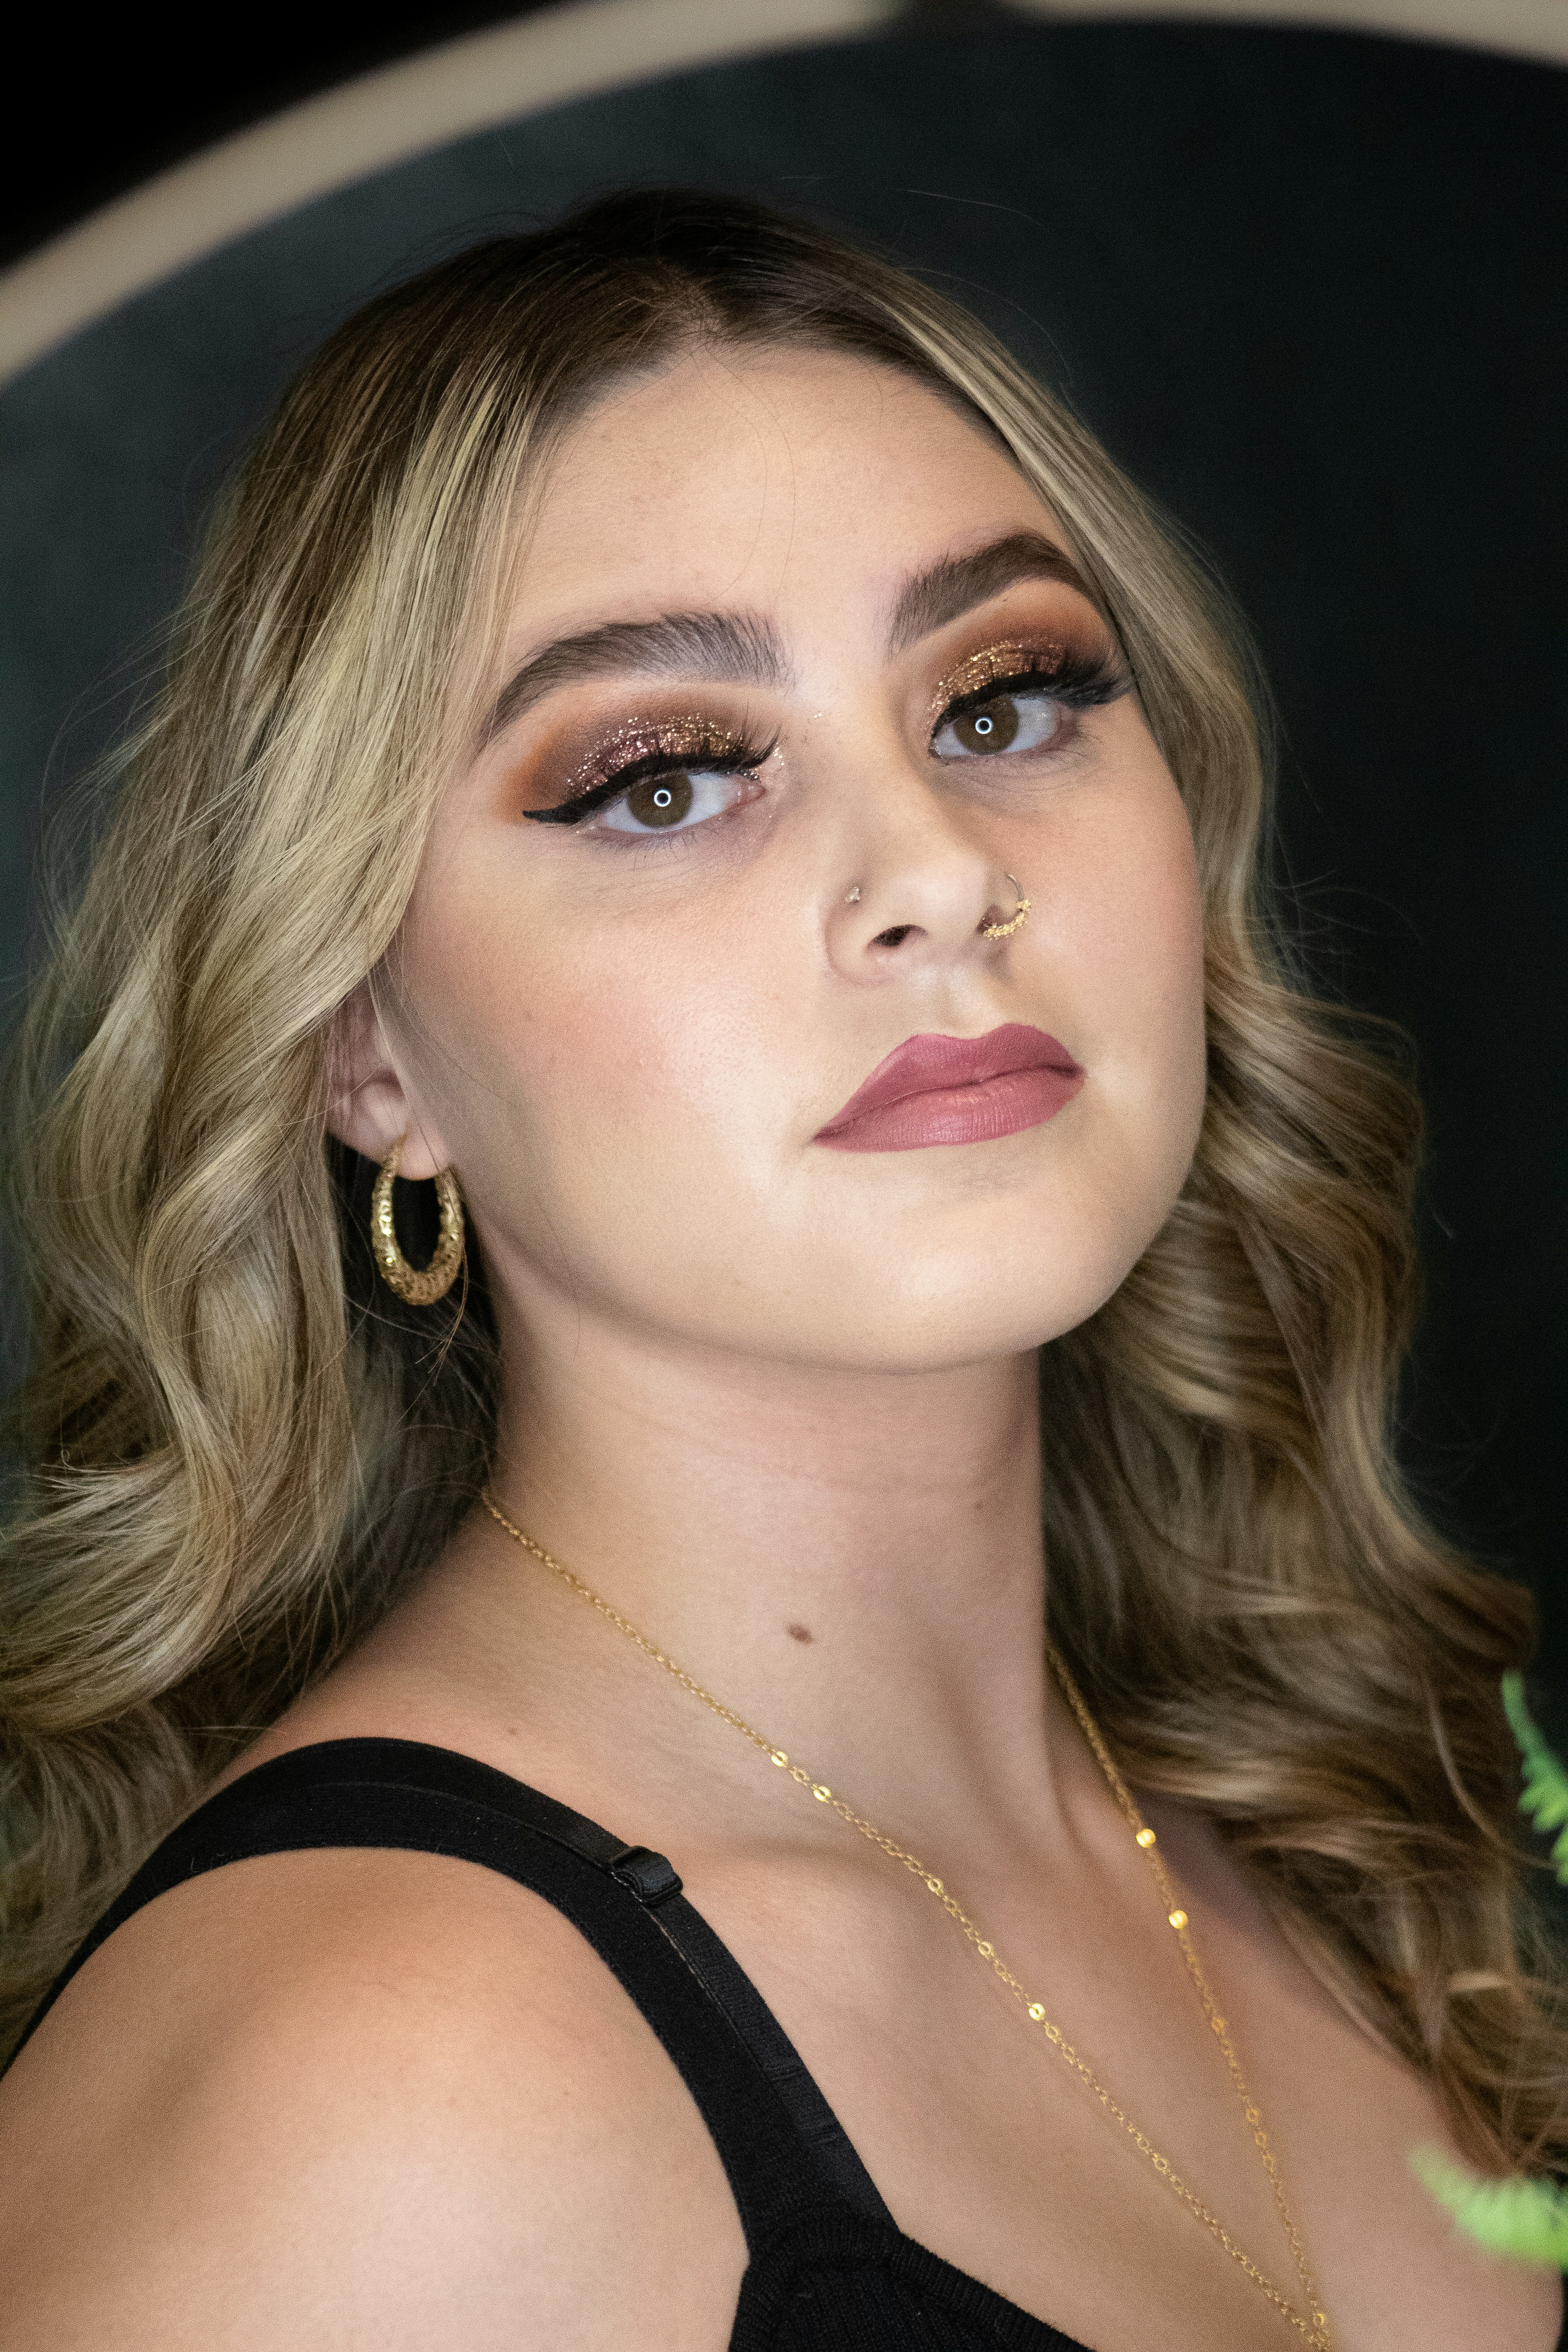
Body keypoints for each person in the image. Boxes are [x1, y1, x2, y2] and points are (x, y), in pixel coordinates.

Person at [0, 189, 1560, 2352]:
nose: (934, 872)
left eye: (1005, 700)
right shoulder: (390, 2081)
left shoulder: (1324, 1834)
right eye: (663, 780)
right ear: (367, 1053)